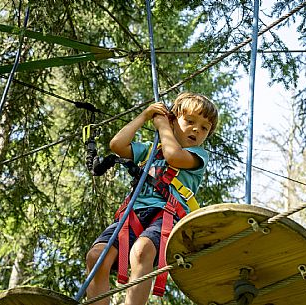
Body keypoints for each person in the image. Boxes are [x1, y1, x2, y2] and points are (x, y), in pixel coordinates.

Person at [85, 92, 218, 305]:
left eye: (204, 127)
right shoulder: (150, 149)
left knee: (142, 250)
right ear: (174, 119)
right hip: (133, 214)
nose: (196, 129)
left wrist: (163, 125)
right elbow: (117, 145)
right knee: (96, 256)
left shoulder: (198, 156)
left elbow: (173, 155)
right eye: (190, 121)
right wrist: (145, 116)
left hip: (166, 215)